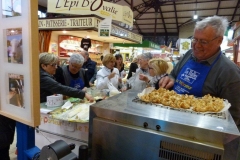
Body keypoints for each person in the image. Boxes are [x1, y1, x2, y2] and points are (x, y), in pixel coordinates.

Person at [159, 15, 240, 126]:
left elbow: (234, 118)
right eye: (195, 39)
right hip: (171, 119)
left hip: (200, 131)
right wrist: (170, 79)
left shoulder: (229, 72)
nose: (196, 45)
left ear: (219, 41)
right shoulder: (189, 55)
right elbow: (173, 74)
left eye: (203, 42)